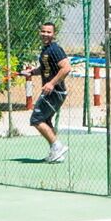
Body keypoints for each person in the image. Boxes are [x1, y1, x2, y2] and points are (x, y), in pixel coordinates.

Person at [26, 24, 70, 162]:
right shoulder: (46, 50)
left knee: (36, 119)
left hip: (55, 92)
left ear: (54, 34)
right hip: (53, 91)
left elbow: (66, 68)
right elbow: (45, 68)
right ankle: (56, 153)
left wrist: (51, 83)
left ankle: (57, 146)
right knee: (45, 121)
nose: (45, 34)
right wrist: (32, 72)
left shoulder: (55, 49)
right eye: (43, 31)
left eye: (48, 32)